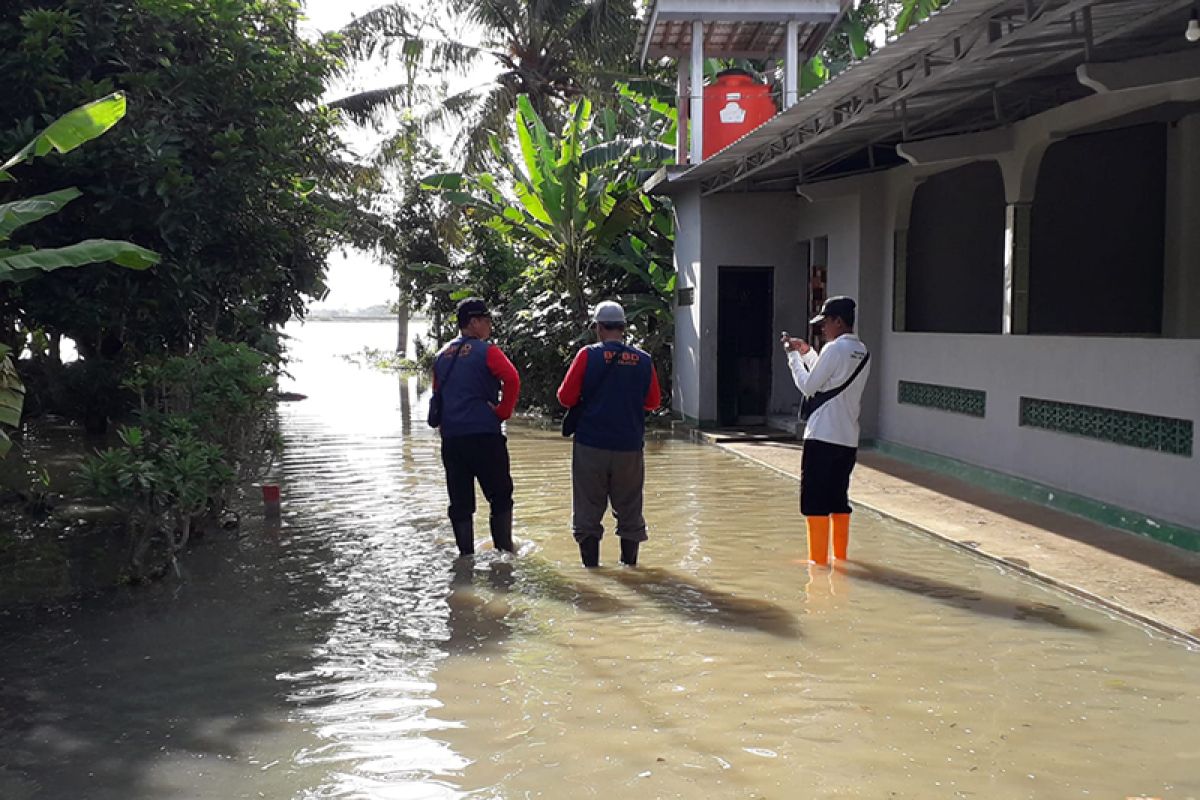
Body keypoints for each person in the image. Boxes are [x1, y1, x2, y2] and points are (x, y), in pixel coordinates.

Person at [557, 301, 661, 568]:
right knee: (630, 510)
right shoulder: (644, 360)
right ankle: (630, 568)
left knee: (588, 511)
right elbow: (652, 402)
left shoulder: (586, 355)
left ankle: (591, 571)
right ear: (624, 328)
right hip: (629, 447)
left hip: (591, 445)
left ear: (598, 328)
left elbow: (565, 397)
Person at [782, 295, 871, 566]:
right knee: (837, 500)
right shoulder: (862, 351)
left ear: (838, 321)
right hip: (847, 439)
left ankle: (818, 564)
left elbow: (810, 387)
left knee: (815, 502)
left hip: (821, 436)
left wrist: (793, 358)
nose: (822, 328)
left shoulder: (834, 349)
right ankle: (840, 560)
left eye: (825, 322)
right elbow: (831, 377)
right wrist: (808, 352)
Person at [431, 298, 521, 557]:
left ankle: (465, 557)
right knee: (500, 495)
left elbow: (438, 393)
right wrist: (503, 412)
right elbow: (512, 378)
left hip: (452, 439)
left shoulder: (441, 355)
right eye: (486, 319)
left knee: (460, 502)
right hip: (484, 436)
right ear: (473, 322)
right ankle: (505, 552)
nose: (490, 325)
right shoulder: (488, 351)